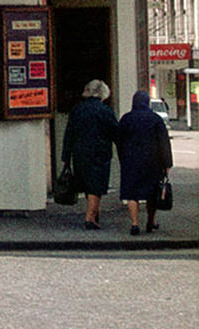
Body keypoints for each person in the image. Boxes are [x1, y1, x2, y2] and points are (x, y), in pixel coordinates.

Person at [61, 79, 119, 229]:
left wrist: (66, 157)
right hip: (99, 152)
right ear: (103, 93)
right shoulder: (105, 111)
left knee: (87, 184)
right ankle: (90, 218)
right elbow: (115, 132)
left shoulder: (77, 110)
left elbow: (69, 134)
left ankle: (94, 212)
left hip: (79, 152)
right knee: (96, 186)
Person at [117, 90, 173, 234]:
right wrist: (167, 164)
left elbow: (119, 141)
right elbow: (164, 143)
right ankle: (150, 222)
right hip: (152, 162)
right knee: (152, 193)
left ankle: (135, 224)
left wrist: (122, 157)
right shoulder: (155, 119)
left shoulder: (126, 119)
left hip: (131, 161)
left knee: (131, 193)